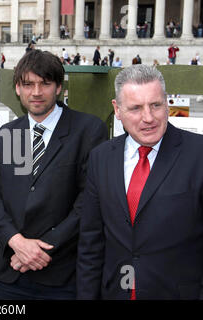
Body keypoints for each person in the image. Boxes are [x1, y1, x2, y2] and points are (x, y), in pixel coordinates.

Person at [0, 49, 108, 300]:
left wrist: (39, 250)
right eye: (28, 84)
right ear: (18, 88)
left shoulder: (88, 130)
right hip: (12, 275)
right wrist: (17, 243)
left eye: (45, 83)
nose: (36, 92)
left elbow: (89, 202)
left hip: (62, 276)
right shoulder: (10, 133)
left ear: (59, 87)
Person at [77, 64, 203, 300]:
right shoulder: (100, 158)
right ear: (117, 109)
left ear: (167, 103)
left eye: (155, 105)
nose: (148, 118)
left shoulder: (198, 154)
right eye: (135, 108)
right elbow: (91, 245)